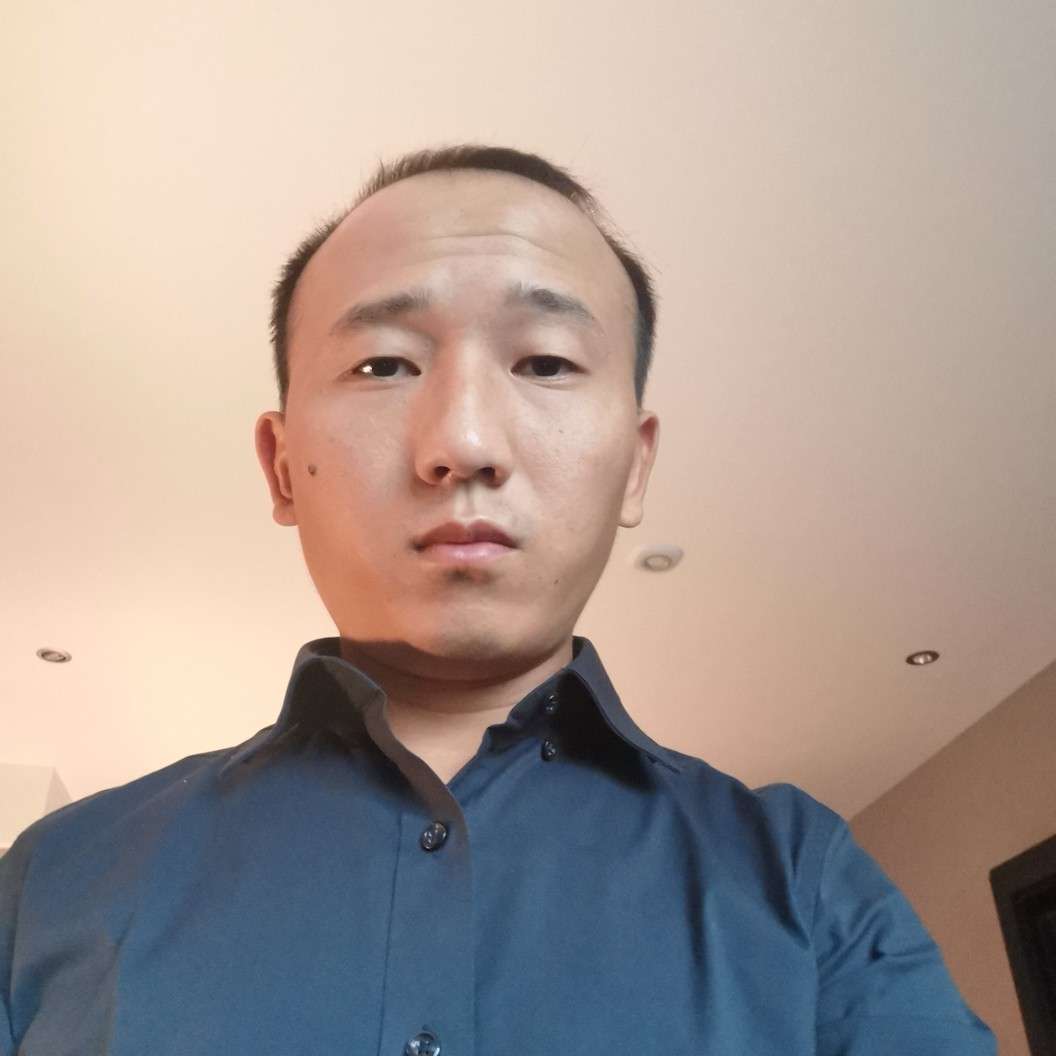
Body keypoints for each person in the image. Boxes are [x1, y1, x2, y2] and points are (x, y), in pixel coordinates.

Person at [0, 145, 996, 1054]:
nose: (464, 442)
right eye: (383, 364)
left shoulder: (803, 880)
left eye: (546, 363)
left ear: (635, 464)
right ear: (282, 465)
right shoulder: (52, 879)